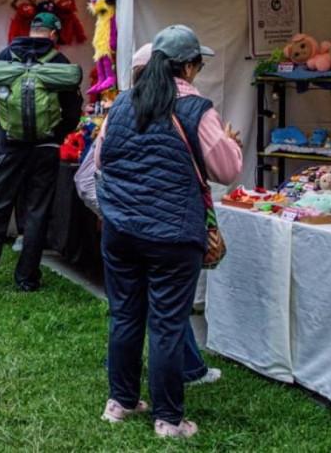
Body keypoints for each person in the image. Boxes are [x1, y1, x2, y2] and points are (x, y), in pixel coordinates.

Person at [97, 26, 242, 438]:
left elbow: (103, 162)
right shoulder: (197, 109)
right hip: (173, 234)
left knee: (124, 316)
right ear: (190, 66)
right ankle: (168, 419)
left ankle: (121, 402)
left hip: (121, 230)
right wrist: (229, 142)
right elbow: (227, 170)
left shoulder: (122, 103)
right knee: (166, 323)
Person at [0, 13, 81, 294]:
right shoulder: (58, 63)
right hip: (46, 148)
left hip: (9, 146)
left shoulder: (7, 55)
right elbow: (72, 111)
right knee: (37, 212)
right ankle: (27, 279)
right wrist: (56, 134)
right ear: (54, 34)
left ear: (31, 30)